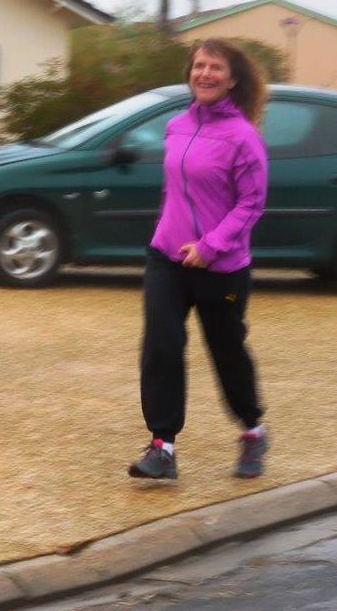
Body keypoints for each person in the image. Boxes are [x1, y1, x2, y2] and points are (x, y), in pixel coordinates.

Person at [128, 38, 270, 481]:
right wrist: (170, 234)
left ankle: (253, 430)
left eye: (216, 68)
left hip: (221, 266)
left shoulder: (243, 137)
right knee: (161, 346)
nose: (205, 74)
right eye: (199, 66)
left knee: (226, 351)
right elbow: (177, 191)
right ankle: (162, 447)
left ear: (232, 80)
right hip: (167, 258)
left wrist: (209, 246)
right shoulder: (177, 126)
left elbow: (251, 203)